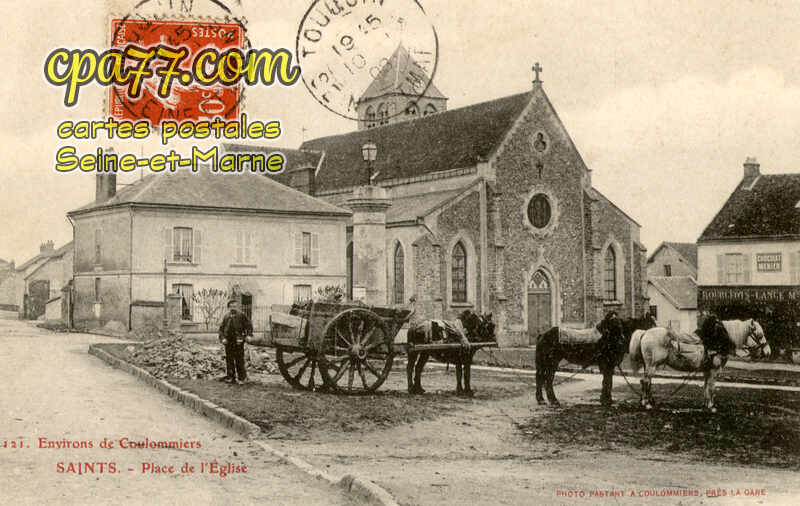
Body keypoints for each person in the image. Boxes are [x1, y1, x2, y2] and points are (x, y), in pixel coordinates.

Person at [218, 300, 253, 384]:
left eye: (235, 306)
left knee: (239, 359)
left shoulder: (241, 315)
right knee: (229, 359)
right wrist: (223, 338)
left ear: (237, 307)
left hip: (238, 340)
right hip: (228, 341)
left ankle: (242, 378)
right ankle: (230, 377)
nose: (233, 308)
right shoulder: (226, 316)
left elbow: (249, 326)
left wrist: (248, 335)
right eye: (231, 306)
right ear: (229, 307)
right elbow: (221, 329)